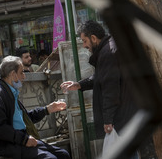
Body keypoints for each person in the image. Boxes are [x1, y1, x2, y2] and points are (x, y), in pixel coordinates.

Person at [60, 20, 156, 159]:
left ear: (94, 38)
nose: (84, 45)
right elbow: (102, 77)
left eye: (85, 41)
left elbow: (110, 90)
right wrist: (80, 84)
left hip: (122, 117)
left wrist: (108, 120)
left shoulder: (107, 53)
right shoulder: (111, 48)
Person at [0, 55, 69, 159]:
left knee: (63, 154)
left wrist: (48, 109)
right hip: (8, 145)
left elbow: (25, 118)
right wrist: (24, 139)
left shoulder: (10, 92)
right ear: (13, 74)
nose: (24, 77)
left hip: (19, 140)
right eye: (21, 72)